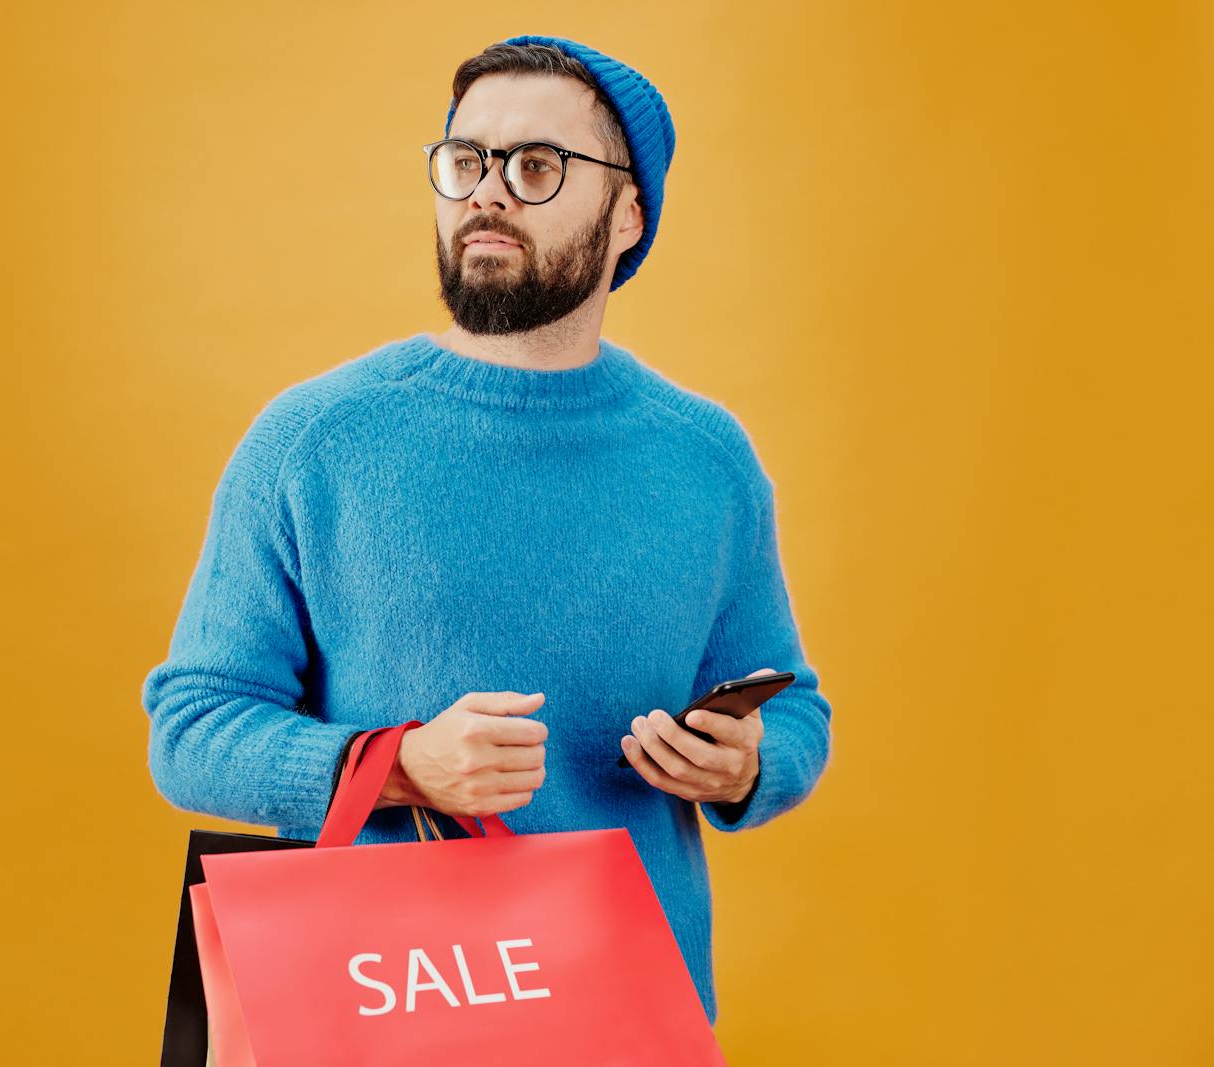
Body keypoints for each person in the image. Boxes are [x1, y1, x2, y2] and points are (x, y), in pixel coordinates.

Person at [141, 34, 834, 1027]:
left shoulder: (705, 457)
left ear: (629, 212)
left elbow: (793, 707)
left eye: (536, 165)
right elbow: (192, 727)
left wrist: (747, 764)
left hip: (627, 1020)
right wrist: (399, 765)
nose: (488, 193)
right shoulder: (312, 439)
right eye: (465, 160)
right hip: (385, 1018)